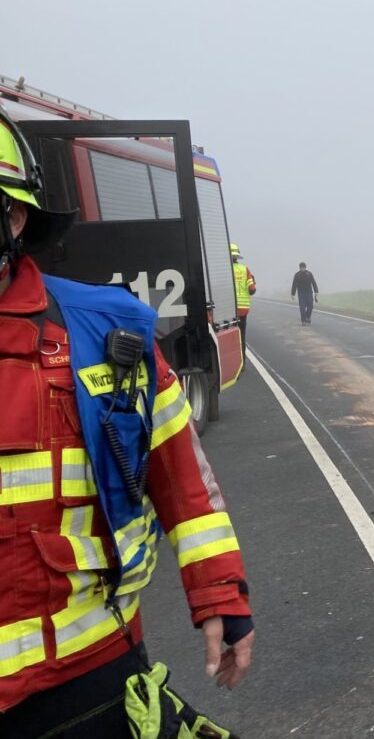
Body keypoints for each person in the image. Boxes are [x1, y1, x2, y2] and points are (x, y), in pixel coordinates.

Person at [0, 109, 253, 736]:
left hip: (84, 678)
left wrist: (220, 593)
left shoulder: (105, 333)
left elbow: (182, 479)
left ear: (14, 218)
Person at [230, 242, 256, 354]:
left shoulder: (223, 270)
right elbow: (252, 290)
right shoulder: (245, 269)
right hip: (242, 309)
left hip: (228, 310)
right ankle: (242, 362)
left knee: (229, 336)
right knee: (241, 335)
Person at [290, 261, 318, 325]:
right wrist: (292, 294)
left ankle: (308, 317)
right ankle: (303, 321)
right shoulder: (297, 275)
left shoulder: (309, 274)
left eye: (303, 267)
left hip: (309, 293)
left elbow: (313, 283)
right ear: (299, 268)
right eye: (301, 268)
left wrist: (316, 291)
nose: (302, 269)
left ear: (305, 267)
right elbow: (294, 285)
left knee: (310, 307)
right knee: (302, 308)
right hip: (301, 294)